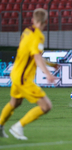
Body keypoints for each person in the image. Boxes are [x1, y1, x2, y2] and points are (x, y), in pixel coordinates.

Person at [0, 8, 58, 140]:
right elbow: (37, 57)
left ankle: (0, 125)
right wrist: (48, 74)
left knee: (15, 103)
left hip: (15, 74)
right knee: (46, 106)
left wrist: (50, 64)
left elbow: (33, 55)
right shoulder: (38, 36)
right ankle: (18, 126)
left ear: (33, 20)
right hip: (23, 78)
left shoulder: (26, 32)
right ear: (46, 21)